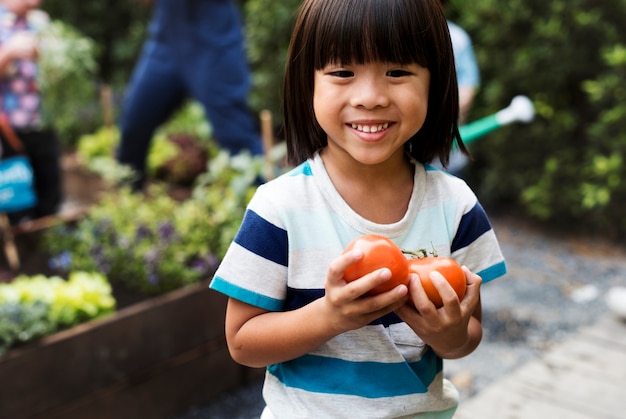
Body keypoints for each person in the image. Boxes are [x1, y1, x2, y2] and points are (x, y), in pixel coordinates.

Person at [210, 0, 507, 417]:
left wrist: (449, 332)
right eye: (343, 73)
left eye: (398, 72)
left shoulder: (455, 206)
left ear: (435, 83)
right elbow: (242, 342)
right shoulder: (280, 208)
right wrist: (331, 315)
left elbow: (467, 338)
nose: (370, 97)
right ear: (306, 84)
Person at [116, 0, 263, 191]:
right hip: (166, 40)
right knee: (133, 128)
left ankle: (268, 211)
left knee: (236, 137)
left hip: (214, 41)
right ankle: (127, 201)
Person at [0, 0, 63, 224]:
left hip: (43, 123)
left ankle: (47, 252)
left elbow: (62, 72)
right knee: (15, 201)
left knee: (50, 196)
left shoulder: (41, 22)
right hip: (7, 130)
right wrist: (8, 53)